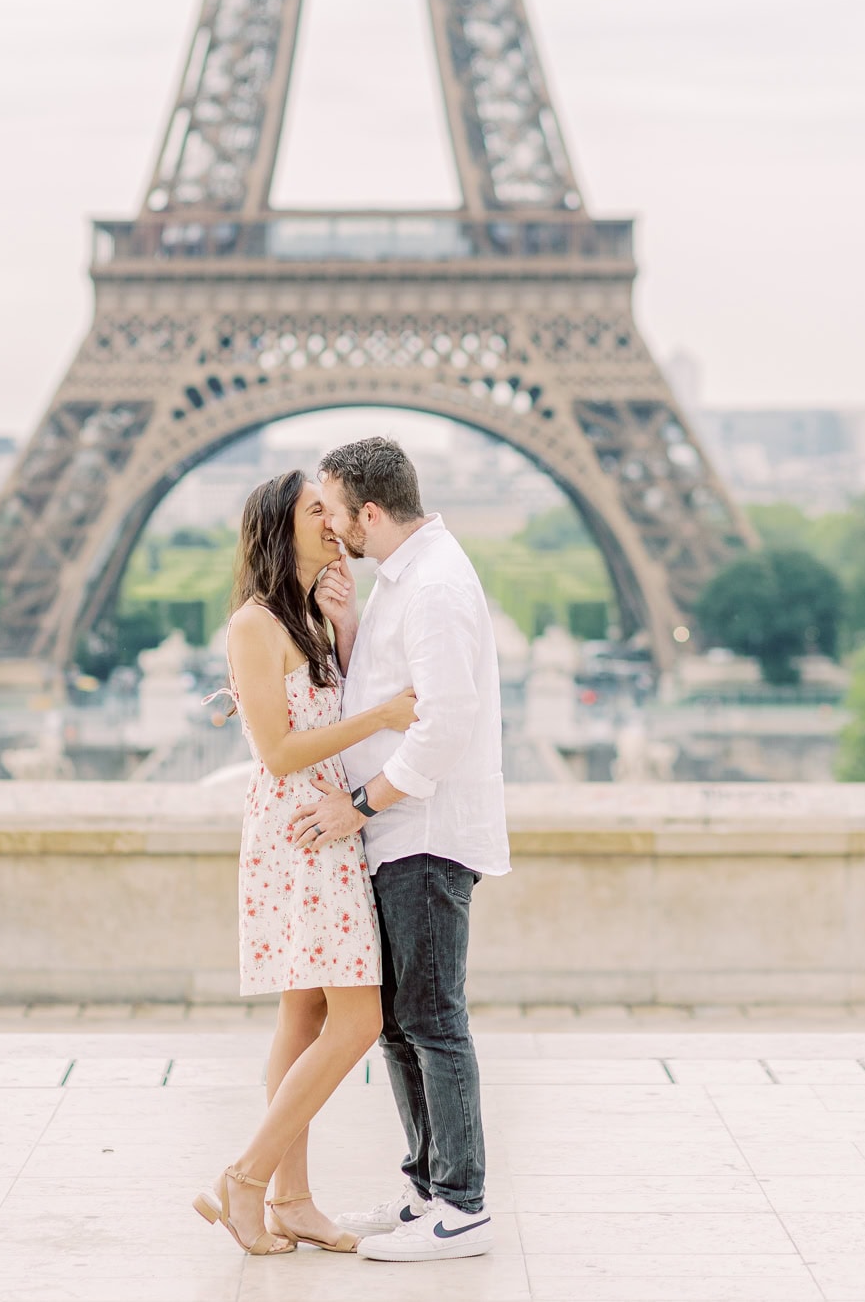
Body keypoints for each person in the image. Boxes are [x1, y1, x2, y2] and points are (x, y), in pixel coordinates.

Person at [292, 436, 510, 1262]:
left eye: (335, 509)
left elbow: (443, 721)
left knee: (430, 1018)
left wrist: (360, 804)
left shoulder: (438, 584)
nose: (331, 525)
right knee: (397, 1021)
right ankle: (430, 1189)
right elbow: (387, 696)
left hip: (420, 832)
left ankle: (463, 1203)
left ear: (369, 512)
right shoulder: (404, 579)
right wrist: (347, 625)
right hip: (397, 833)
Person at [192, 469, 417, 1257]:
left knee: (305, 1013)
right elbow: (279, 750)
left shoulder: (305, 616)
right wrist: (383, 717)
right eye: (316, 509)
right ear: (280, 528)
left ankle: (291, 1198)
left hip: (323, 829)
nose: (334, 518)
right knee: (359, 1016)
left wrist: (344, 619)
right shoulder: (255, 624)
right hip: (303, 835)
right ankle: (247, 1178)